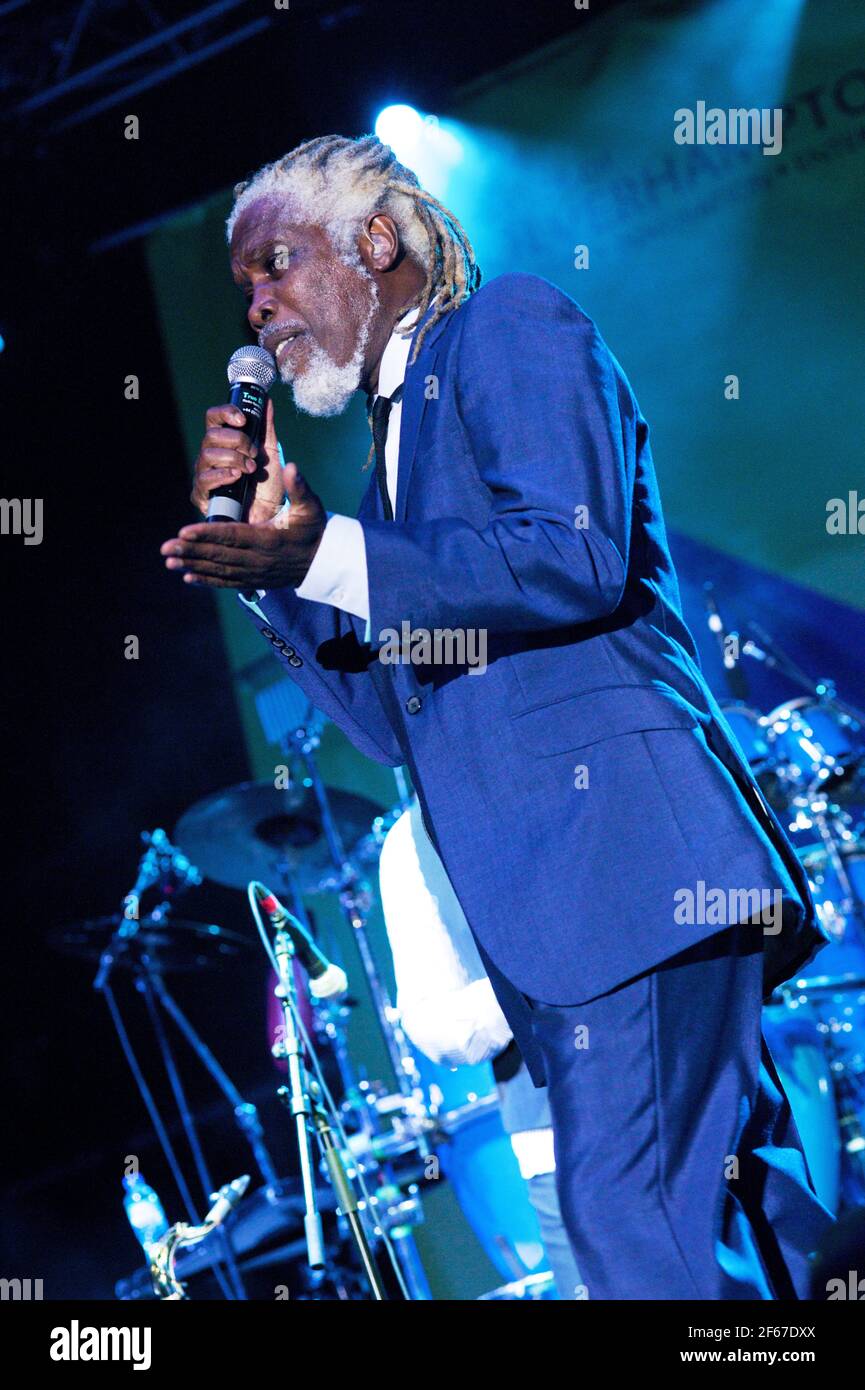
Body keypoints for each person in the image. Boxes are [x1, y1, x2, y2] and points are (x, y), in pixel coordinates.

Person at [162, 134, 833, 1298]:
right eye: (245, 290)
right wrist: (284, 563)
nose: (258, 308)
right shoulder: (387, 466)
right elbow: (393, 723)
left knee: (628, 1226)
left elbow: (570, 555)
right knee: (750, 1218)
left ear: (374, 241)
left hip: (630, 874)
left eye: (274, 265)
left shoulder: (509, 327)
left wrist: (329, 548)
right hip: (567, 914)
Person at [378, 796, 581, 1299]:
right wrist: (535, 983)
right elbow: (439, 1028)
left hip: (693, 1078)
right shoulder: (417, 833)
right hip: (558, 1124)